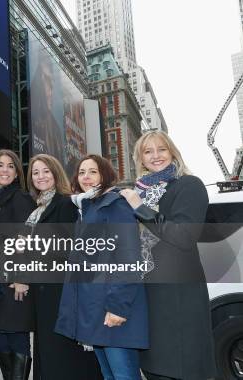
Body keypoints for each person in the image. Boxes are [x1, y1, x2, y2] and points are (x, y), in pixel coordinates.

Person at [119, 131, 216, 380]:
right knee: (154, 370)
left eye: (161, 149)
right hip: (147, 295)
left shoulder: (188, 185)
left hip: (177, 300)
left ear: (172, 151)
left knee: (179, 369)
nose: (155, 156)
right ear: (140, 158)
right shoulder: (141, 191)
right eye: (148, 151)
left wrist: (140, 210)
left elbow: (184, 236)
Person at [55, 154, 149, 380]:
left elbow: (128, 257)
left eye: (93, 171)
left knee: (123, 376)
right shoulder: (88, 208)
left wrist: (117, 306)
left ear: (105, 175)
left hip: (113, 307)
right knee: (109, 376)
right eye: (81, 172)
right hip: (95, 308)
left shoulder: (114, 204)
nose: (86, 177)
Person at [24, 154, 102, 380]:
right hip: (43, 293)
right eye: (36, 172)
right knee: (48, 353)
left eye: (46, 171)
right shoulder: (37, 207)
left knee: (63, 357)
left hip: (61, 292)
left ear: (56, 173)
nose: (41, 176)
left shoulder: (66, 203)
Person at [0, 150, 36, 380]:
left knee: (16, 337)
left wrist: (22, 277)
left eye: (10, 166)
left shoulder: (21, 198)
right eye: (0, 166)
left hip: (15, 281)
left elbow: (27, 239)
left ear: (17, 173)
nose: (4, 170)